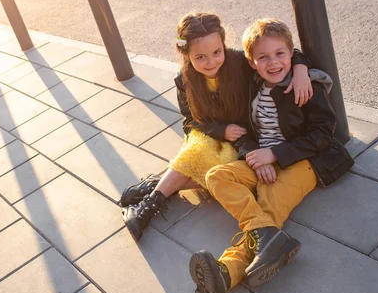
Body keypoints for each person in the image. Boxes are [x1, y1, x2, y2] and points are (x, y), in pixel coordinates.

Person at [189, 18, 354, 293]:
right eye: (263, 57)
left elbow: (323, 136)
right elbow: (243, 129)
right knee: (216, 176)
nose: (273, 62)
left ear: (291, 55)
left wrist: (275, 155)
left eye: (280, 54)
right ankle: (267, 236)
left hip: (304, 162)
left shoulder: (306, 87)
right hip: (264, 157)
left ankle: (227, 272)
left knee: (268, 201)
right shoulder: (252, 84)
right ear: (252, 63)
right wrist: (256, 154)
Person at [120, 13, 313, 241]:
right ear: (186, 55)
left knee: (219, 170)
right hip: (208, 136)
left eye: (217, 52)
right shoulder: (185, 80)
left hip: (242, 140)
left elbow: (280, 52)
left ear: (224, 45)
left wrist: (301, 70)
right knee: (199, 151)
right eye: (200, 57)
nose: (211, 62)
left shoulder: (240, 63)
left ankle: (159, 186)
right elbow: (190, 122)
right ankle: (148, 207)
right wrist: (221, 131)